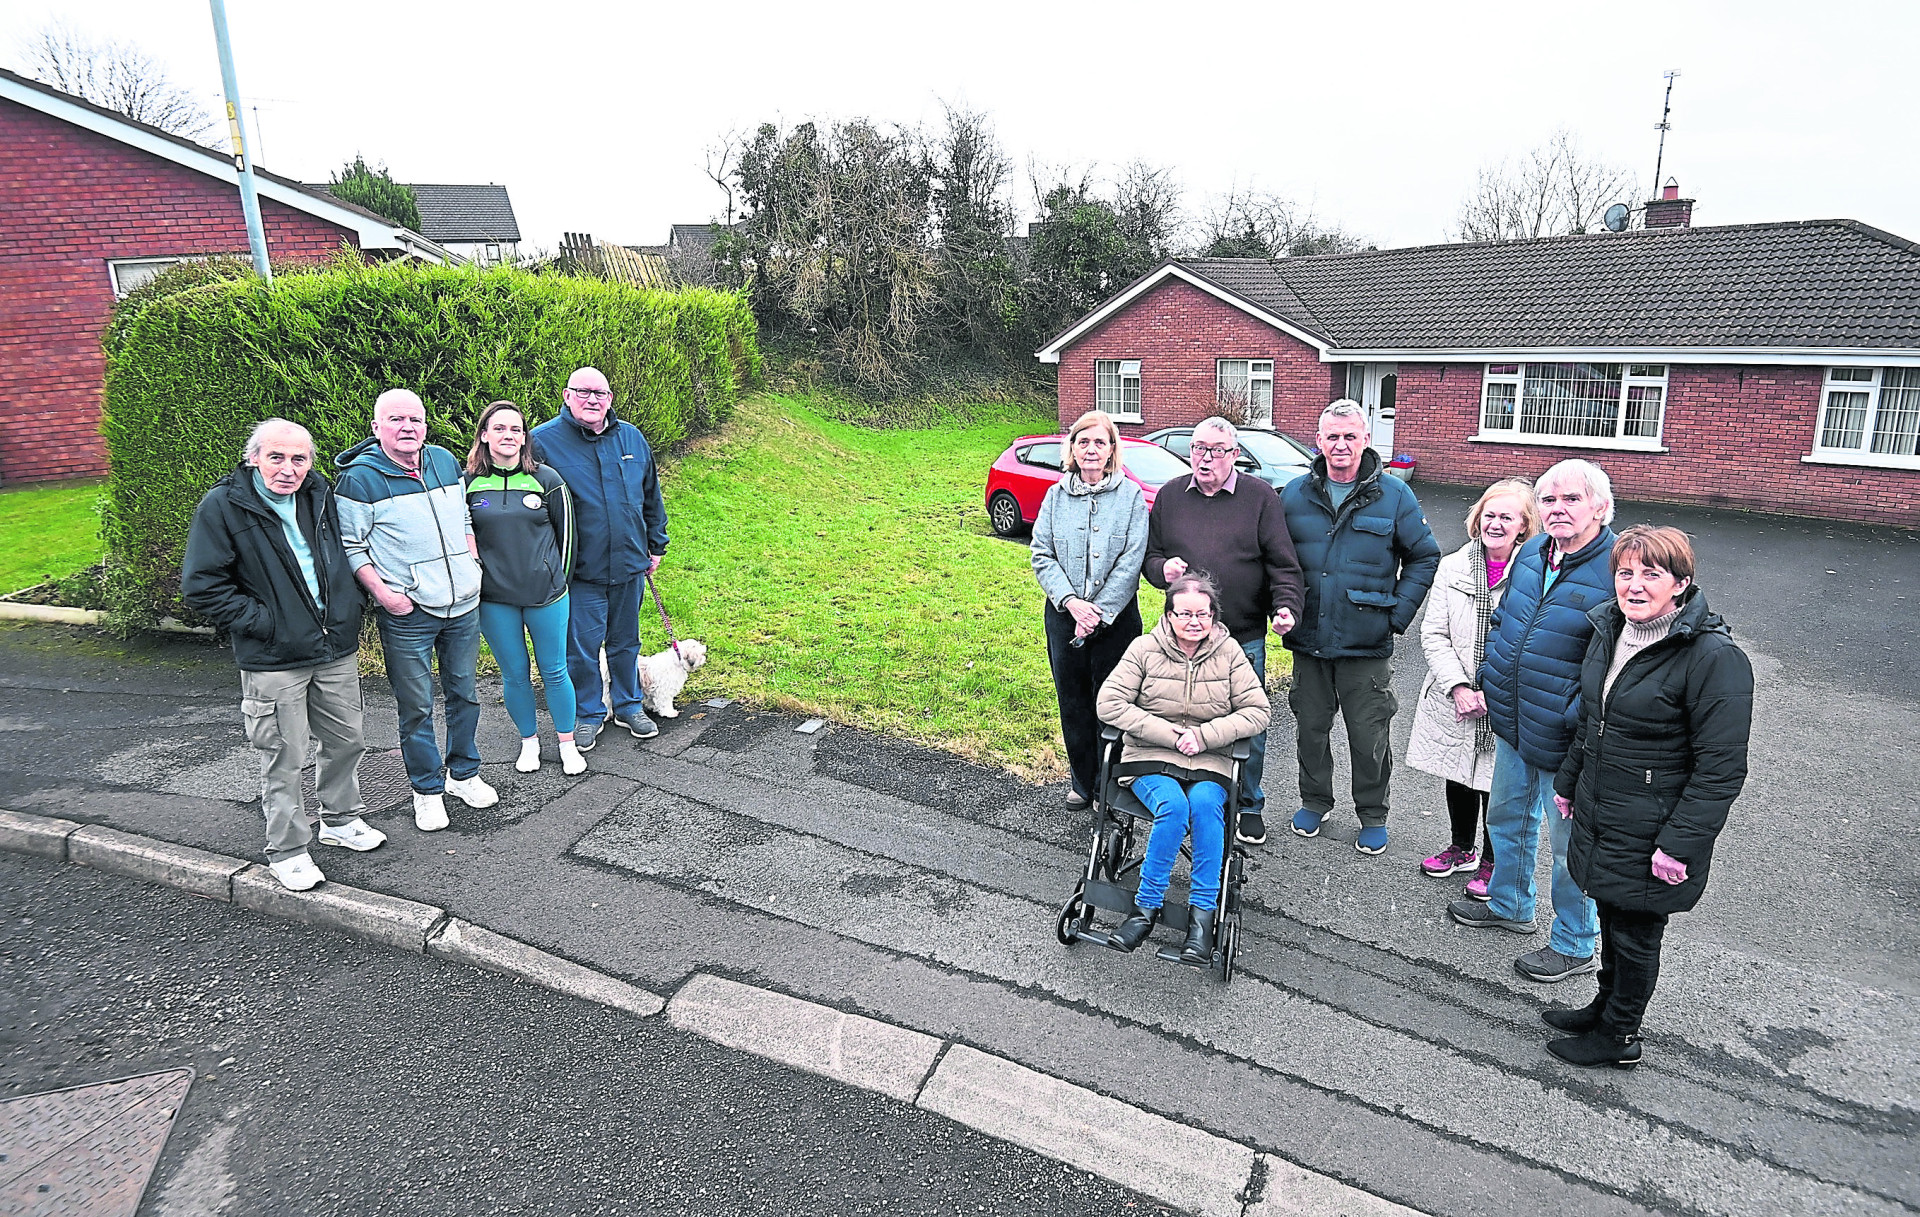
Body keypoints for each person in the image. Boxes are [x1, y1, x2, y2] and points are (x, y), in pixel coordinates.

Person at [1544, 526, 1752, 1068]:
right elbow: (1594, 720)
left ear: (1681, 583)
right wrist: (1568, 782)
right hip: (1603, 805)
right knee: (1612, 914)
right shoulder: (1609, 628)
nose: (1633, 586)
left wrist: (1678, 845)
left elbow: (1721, 769)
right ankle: (1604, 1007)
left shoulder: (1712, 658)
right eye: (1625, 573)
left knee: (1636, 931)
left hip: (1653, 824)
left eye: (1651, 574)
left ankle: (1619, 1036)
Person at [181, 419, 384, 890]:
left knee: (347, 740)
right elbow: (202, 585)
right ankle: (289, 849)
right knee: (283, 754)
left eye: (299, 459)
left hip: (333, 646)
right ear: (254, 458)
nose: (288, 469)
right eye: (276, 457)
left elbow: (340, 555)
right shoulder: (225, 505)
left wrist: (350, 607)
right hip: (273, 658)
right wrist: (265, 623)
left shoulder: (319, 495)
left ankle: (339, 821)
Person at [1449, 459, 1617, 984]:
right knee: (1506, 820)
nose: (1559, 509)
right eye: (1549, 500)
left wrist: (1573, 716)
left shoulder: (1615, 567)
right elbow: (1505, 622)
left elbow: (1614, 661)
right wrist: (1490, 677)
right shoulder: (1530, 554)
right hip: (1516, 722)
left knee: (1570, 847)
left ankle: (1574, 943)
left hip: (1567, 738)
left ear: (1600, 507)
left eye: (1572, 499)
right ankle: (1510, 905)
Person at [1280, 401, 1441, 855]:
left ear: (1366, 440)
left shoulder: (1393, 495)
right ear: (1319, 440)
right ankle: (1315, 801)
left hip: (1366, 641)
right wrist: (1283, 606)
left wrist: (1396, 614)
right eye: (1332, 436)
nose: (1341, 445)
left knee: (1368, 733)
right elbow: (1277, 560)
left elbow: (1424, 555)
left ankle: (1372, 813)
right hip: (1309, 637)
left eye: (1350, 436)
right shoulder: (1294, 494)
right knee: (1310, 726)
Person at [335, 388, 496, 832]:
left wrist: (473, 565)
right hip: (408, 613)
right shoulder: (359, 480)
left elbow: (464, 519)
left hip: (462, 605)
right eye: (396, 420)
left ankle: (463, 774)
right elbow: (352, 545)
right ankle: (426, 790)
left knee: (465, 694)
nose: (408, 429)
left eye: (416, 420)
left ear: (426, 424)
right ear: (376, 427)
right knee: (417, 706)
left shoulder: (444, 460)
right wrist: (386, 596)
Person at [1095, 575, 1270, 965]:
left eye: (1202, 614)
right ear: (1169, 614)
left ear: (1214, 616)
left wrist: (1205, 736)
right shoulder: (1143, 649)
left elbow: (1258, 711)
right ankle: (1145, 911)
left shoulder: (1230, 654)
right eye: (1185, 613)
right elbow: (1108, 704)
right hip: (1152, 755)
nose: (1194, 621)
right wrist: (1169, 733)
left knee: (1207, 806)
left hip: (1209, 759)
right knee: (1172, 806)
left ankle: (1201, 922)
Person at [1143, 416, 1302, 845]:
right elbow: (1151, 558)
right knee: (1179, 715)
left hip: (1242, 636)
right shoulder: (1171, 496)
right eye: (1197, 448)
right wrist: (1163, 570)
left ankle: (1247, 804)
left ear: (1234, 455)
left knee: (1245, 724)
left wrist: (1285, 607)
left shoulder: (1260, 497)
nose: (1204, 457)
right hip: (1180, 639)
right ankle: (1186, 794)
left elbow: (1282, 564)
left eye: (1215, 450)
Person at [1407, 478, 1540, 890]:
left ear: (1524, 526)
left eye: (1507, 517)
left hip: (1507, 697)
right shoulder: (1453, 566)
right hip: (1457, 694)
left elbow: (1536, 639)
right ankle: (1461, 848)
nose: (1495, 524)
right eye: (1489, 515)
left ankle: (1492, 862)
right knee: (1459, 773)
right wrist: (1460, 687)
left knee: (1498, 785)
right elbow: (1433, 634)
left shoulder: (1535, 573)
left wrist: (1493, 692)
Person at [531, 367, 669, 752]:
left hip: (629, 566)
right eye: (584, 392)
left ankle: (628, 705)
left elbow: (650, 496)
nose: (593, 400)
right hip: (579, 570)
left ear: (610, 398)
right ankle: (590, 713)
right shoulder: (541, 442)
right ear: (566, 395)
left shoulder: (631, 438)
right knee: (582, 647)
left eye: (601, 393)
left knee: (626, 642)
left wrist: (655, 545)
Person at [1031, 410, 1149, 809]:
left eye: (1100, 442)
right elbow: (1041, 554)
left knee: (1113, 704)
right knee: (1074, 701)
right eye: (1084, 441)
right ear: (1072, 449)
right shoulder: (1055, 496)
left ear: (1112, 449)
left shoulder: (1131, 497)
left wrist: (1098, 611)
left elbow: (1133, 560)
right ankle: (1083, 781)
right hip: (1064, 619)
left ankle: (1109, 786)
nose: (1092, 449)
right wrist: (1071, 603)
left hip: (1116, 622)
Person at [464, 401, 586, 777]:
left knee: (554, 670)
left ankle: (567, 744)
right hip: (495, 599)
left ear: (525, 437)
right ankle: (529, 743)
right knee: (514, 674)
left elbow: (568, 538)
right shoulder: (467, 484)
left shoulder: (547, 479)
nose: (508, 436)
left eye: (516, 429)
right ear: (484, 435)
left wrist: (558, 582)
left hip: (546, 595)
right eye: (499, 428)